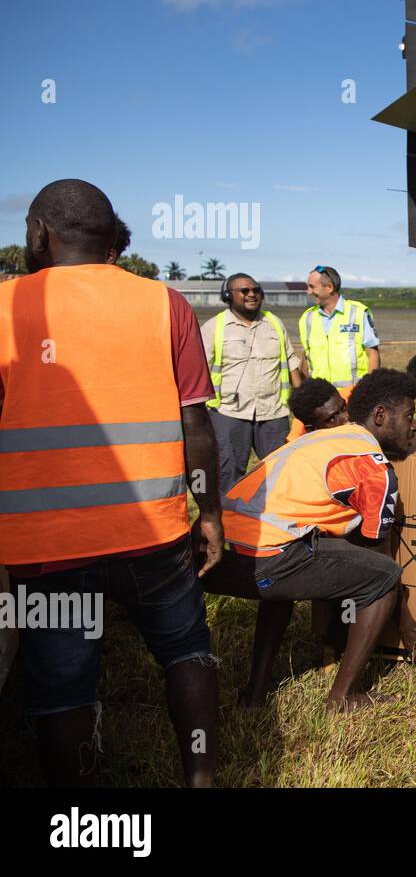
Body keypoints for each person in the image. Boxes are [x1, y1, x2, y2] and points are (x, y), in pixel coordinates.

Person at [0, 179, 222, 786]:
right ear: (108, 235)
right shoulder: (163, 303)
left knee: (62, 679)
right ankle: (201, 778)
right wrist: (210, 515)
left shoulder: (4, 307)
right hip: (153, 531)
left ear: (40, 233)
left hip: (46, 544)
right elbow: (195, 423)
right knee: (184, 650)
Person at [198, 369, 416, 711]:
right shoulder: (372, 465)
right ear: (380, 416)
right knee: (386, 577)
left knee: (289, 579)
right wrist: (406, 625)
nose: (414, 425)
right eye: (409, 415)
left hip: (212, 553)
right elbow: (380, 560)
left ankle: (255, 695)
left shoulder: (316, 440)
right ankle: (342, 698)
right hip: (263, 558)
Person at [201, 273, 305, 491]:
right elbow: (198, 370)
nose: (252, 294)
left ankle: (276, 521)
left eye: (256, 290)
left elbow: (291, 365)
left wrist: (307, 404)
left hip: (273, 414)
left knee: (280, 473)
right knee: (228, 474)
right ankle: (228, 522)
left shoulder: (274, 324)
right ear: (228, 295)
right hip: (228, 413)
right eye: (244, 290)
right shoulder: (215, 327)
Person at [299, 265, 380, 389]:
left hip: (353, 397)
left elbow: (373, 355)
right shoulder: (307, 318)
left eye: (312, 287)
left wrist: (368, 392)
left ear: (330, 287)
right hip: (320, 399)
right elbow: (306, 357)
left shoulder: (358, 312)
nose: (308, 292)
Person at [284, 378, 350, 443]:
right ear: (311, 430)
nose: (346, 417)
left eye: (344, 407)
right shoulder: (300, 450)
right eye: (332, 419)